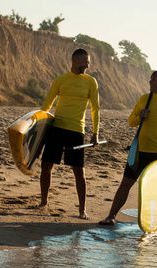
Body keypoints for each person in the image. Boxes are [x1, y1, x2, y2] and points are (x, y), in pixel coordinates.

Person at [99, 70, 157, 225]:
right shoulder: (144, 99)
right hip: (139, 151)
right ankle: (111, 216)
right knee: (125, 184)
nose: (151, 82)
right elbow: (131, 122)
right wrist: (140, 116)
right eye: (151, 79)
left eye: (155, 80)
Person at [39, 48, 100, 220]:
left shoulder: (91, 82)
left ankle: (82, 210)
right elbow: (47, 104)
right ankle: (44, 202)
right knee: (46, 166)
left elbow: (95, 108)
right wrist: (38, 126)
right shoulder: (61, 80)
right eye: (84, 62)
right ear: (74, 61)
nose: (87, 65)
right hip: (57, 128)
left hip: (76, 130)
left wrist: (95, 132)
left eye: (88, 62)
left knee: (79, 171)